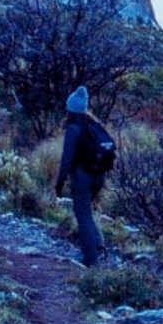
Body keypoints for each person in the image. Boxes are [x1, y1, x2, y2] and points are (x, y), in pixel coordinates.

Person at [55, 86, 117, 267]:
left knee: (83, 217)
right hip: (99, 177)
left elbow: (66, 160)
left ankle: (91, 260)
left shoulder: (73, 129)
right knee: (88, 213)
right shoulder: (95, 126)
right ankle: (97, 245)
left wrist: (59, 184)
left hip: (82, 178)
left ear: (70, 109)